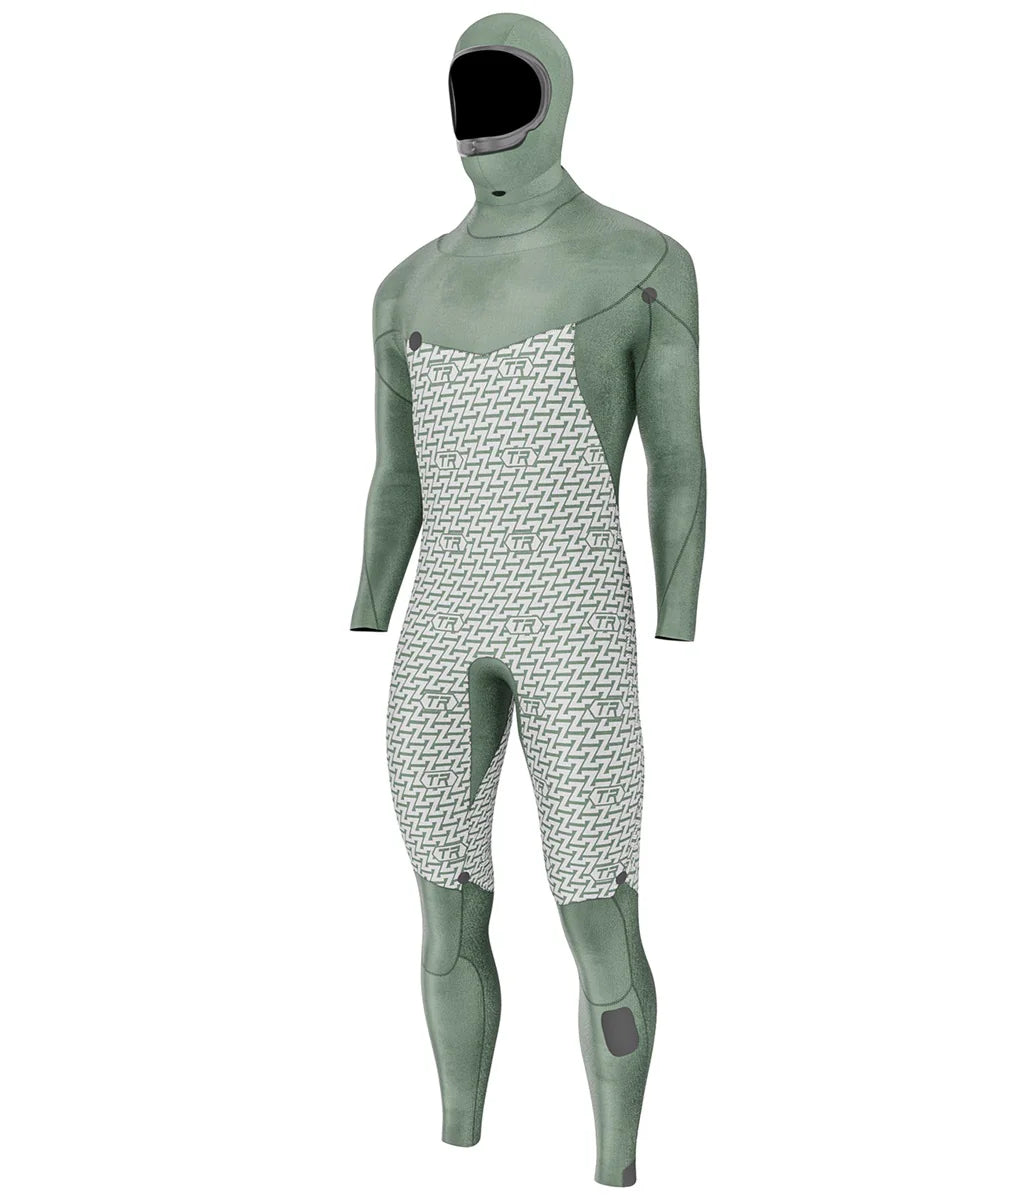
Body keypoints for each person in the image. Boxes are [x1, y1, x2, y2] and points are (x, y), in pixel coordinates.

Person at [350, 12, 706, 1187]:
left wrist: (679, 608)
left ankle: (615, 1160)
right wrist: (368, 602)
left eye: (506, 92)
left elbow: (679, 458)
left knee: (595, 905)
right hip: (440, 621)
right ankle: (458, 1140)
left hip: (573, 618)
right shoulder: (406, 284)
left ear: (555, 94)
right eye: (467, 94)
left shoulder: (642, 262)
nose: (483, 121)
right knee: (442, 908)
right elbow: (397, 473)